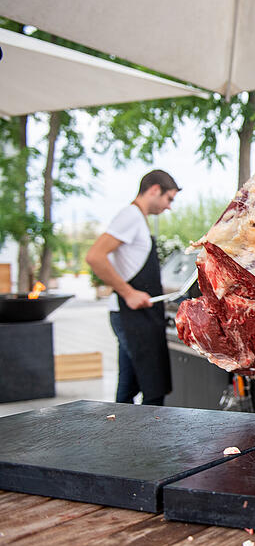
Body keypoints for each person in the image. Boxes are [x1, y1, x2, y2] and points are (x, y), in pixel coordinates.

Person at [86, 170, 179, 406]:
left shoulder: (137, 218)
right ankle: (149, 439)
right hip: (130, 316)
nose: (169, 207)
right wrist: (128, 293)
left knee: (128, 386)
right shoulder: (130, 215)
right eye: (169, 199)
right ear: (154, 190)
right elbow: (95, 256)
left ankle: (123, 438)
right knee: (152, 388)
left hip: (140, 316)